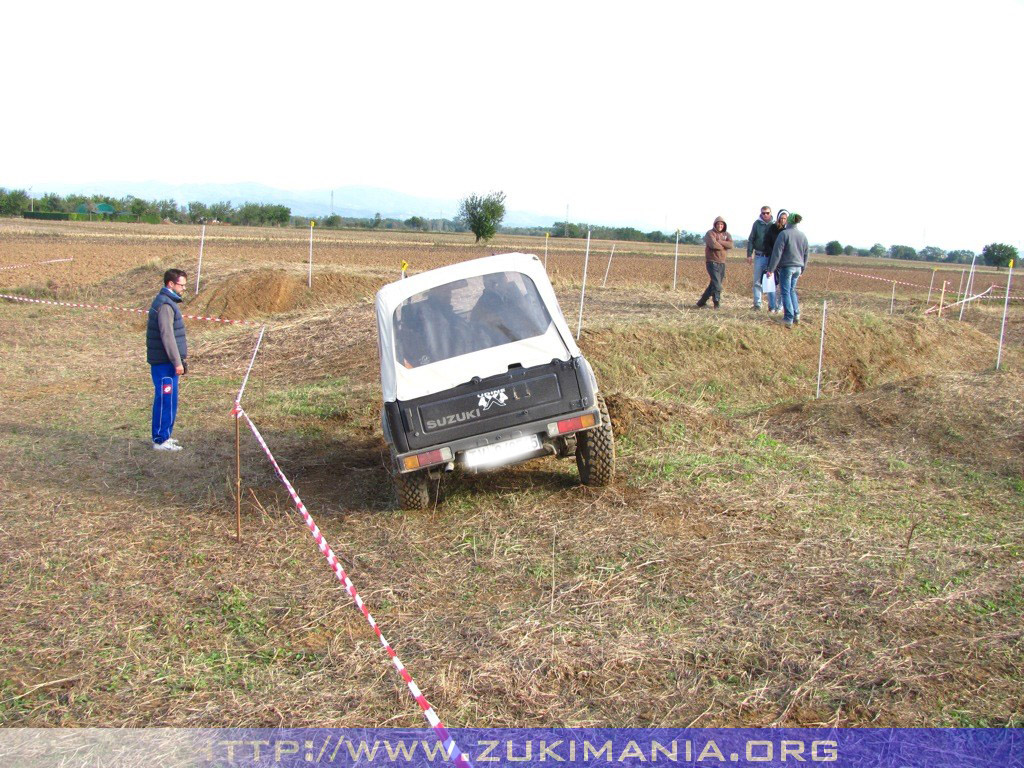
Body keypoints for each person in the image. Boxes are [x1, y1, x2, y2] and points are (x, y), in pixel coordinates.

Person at [146, 269, 189, 450]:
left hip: (167, 362)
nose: (184, 288)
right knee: (165, 400)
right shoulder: (165, 305)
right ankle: (160, 440)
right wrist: (177, 362)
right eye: (182, 285)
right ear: (170, 284)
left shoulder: (169, 302)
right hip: (165, 363)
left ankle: (165, 435)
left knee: (169, 400)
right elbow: (167, 336)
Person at [766, 212, 809, 328]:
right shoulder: (802, 235)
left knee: (785, 291)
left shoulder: (784, 234)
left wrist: (771, 269)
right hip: (798, 268)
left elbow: (777, 253)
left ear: (788, 221)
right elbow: (806, 254)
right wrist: (803, 268)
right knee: (792, 290)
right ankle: (797, 314)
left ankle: (788, 318)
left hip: (787, 267)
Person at [695, 216, 733, 309]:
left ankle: (701, 302)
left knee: (714, 283)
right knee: (717, 284)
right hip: (712, 261)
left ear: (724, 225)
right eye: (718, 224)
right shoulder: (710, 233)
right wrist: (724, 245)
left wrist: (720, 241)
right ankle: (716, 303)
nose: (720, 226)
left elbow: (731, 245)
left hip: (722, 262)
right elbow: (713, 244)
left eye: (721, 224)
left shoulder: (727, 234)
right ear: (715, 224)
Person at [747, 205, 775, 310]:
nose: (765, 215)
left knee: (770, 281)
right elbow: (751, 239)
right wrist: (749, 254)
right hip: (759, 255)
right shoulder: (756, 224)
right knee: (757, 281)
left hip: (771, 257)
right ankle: (757, 304)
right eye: (763, 213)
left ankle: (772, 306)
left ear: (770, 213)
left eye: (767, 213)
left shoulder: (774, 225)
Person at [762, 210, 789, 313]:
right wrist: (772, 252)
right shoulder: (772, 228)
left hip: (784, 261)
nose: (782, 220)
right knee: (771, 283)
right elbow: (766, 242)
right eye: (781, 218)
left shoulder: (788, 230)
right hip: (773, 259)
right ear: (778, 218)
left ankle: (780, 306)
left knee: (783, 284)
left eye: (785, 218)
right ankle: (772, 306)